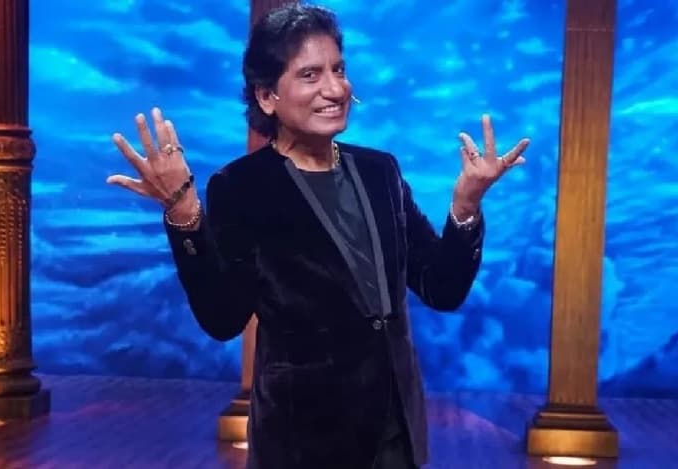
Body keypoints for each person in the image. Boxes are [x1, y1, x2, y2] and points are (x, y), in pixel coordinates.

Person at [108, 4, 528, 469]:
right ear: (267, 96)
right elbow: (223, 318)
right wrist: (184, 213)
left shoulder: (380, 171)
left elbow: (442, 288)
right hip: (303, 440)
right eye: (311, 75)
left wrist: (466, 206)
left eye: (339, 70)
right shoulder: (243, 186)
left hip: (395, 432)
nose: (335, 88)